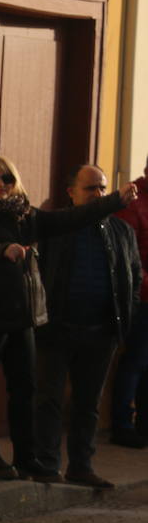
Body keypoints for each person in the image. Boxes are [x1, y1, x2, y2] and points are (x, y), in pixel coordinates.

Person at [0, 156, 137, 480]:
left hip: (22, 316)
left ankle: (27, 458)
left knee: (24, 388)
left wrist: (115, 201)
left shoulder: (27, 217)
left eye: (7, 179)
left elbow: (75, 217)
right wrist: (3, 249)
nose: (0, 184)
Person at [27, 165, 143, 487]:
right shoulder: (56, 228)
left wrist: (124, 316)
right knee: (48, 399)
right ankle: (47, 465)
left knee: (87, 404)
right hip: (57, 329)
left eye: (102, 188)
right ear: (72, 192)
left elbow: (132, 276)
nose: (98, 194)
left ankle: (81, 465)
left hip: (101, 331)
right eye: (90, 188)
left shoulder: (121, 232)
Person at [109, 156, 148, 447]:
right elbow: (126, 256)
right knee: (135, 360)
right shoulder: (132, 202)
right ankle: (122, 424)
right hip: (141, 298)